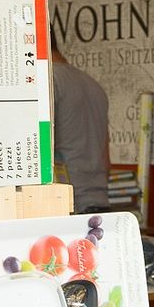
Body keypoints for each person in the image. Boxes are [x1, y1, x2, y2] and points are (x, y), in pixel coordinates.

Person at [50, 28, 111, 213]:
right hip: (99, 200)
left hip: (67, 206)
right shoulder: (93, 85)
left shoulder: (48, 82)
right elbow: (105, 157)